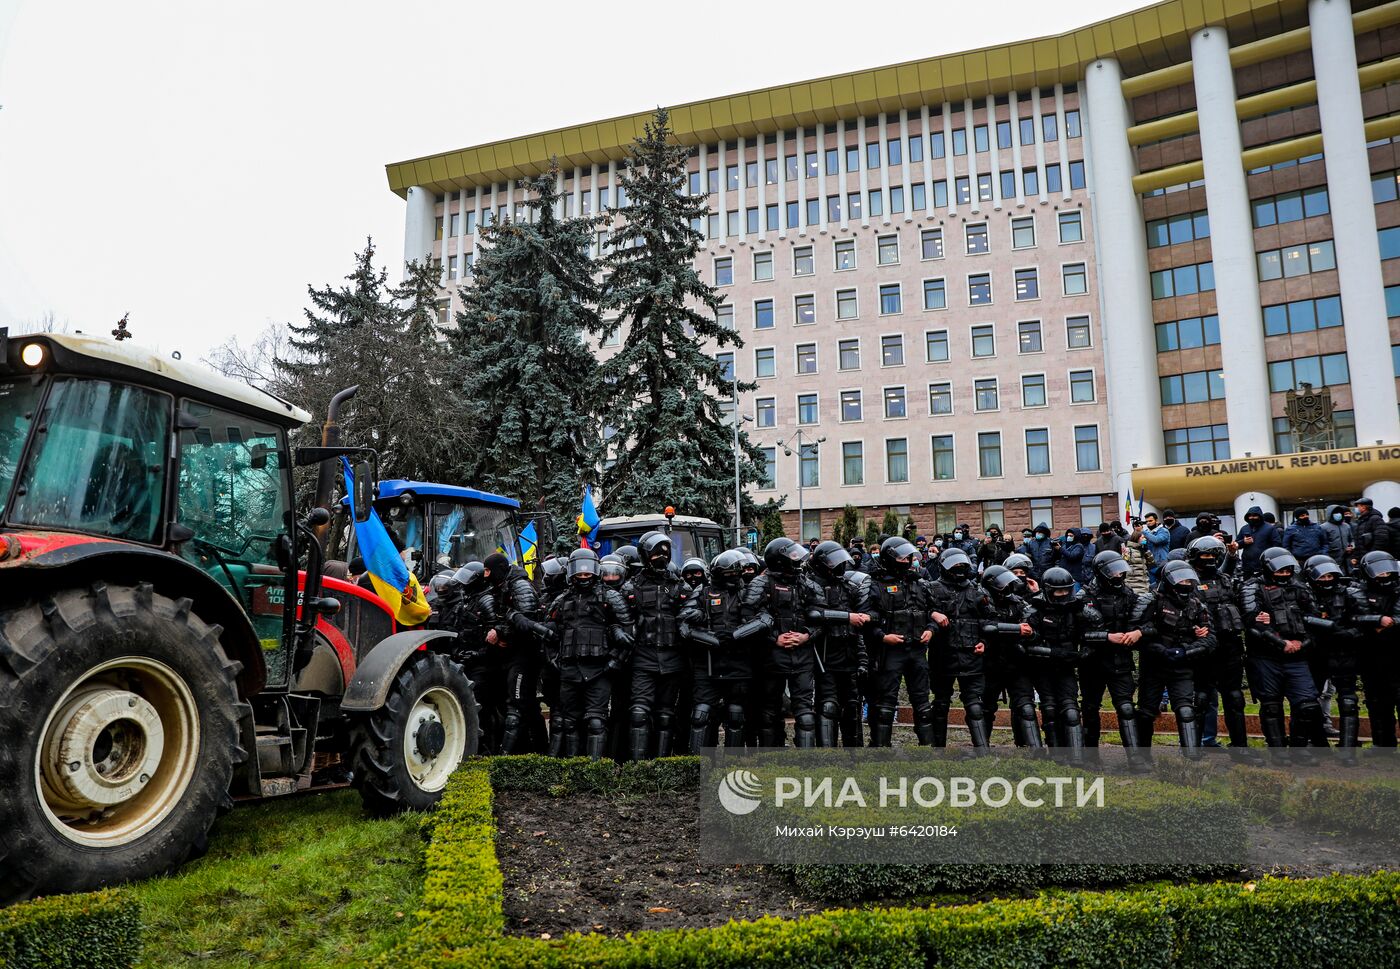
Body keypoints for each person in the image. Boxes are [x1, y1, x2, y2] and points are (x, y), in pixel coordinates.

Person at [542, 548, 632, 759]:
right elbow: (548, 634)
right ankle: (574, 767)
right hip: (569, 670)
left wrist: (615, 663)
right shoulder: (562, 600)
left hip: (599, 670)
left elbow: (628, 632)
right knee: (569, 721)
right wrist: (553, 660)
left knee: (596, 721)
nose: (583, 577)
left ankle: (595, 768)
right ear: (571, 574)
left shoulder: (611, 597)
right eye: (579, 574)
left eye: (587, 573)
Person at [678, 549, 767, 749]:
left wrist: (736, 635)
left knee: (736, 715)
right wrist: (712, 639)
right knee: (701, 714)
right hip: (708, 662)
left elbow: (765, 619)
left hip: (739, 662)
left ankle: (732, 766)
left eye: (737, 571)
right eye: (730, 572)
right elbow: (684, 623)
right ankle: (696, 766)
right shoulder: (703, 592)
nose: (735, 576)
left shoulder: (747, 593)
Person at [1241, 547, 1326, 748]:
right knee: (1271, 705)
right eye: (1280, 571)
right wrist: (1281, 643)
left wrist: (1301, 643)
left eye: (1287, 571)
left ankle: (1299, 747)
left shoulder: (1301, 588)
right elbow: (1252, 623)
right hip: (1265, 657)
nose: (1284, 575)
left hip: (1297, 656)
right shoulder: (1251, 587)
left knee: (1307, 705)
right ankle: (1277, 749)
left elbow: (1314, 621)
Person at [743, 537, 823, 747]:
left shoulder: (807, 583)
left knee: (805, 713)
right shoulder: (760, 584)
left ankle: (806, 764)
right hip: (771, 657)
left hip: (802, 654)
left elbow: (821, 618)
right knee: (769, 711)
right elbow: (747, 618)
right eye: (792, 556)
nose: (797, 560)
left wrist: (806, 635)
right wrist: (774, 638)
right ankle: (772, 757)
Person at [864, 536, 938, 746]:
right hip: (890, 651)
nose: (906, 561)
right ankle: (881, 747)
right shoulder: (876, 584)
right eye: (902, 557)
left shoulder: (920, 584)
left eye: (908, 557)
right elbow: (868, 618)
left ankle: (927, 746)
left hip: (916, 650)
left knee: (922, 703)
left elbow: (932, 612)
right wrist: (882, 636)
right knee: (885, 704)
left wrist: (931, 630)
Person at [1135, 560, 1214, 753]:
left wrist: (1186, 651)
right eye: (1182, 580)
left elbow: (1210, 639)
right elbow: (1137, 633)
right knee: (1146, 713)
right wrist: (1160, 650)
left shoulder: (1197, 605)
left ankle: (1191, 760)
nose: (1185, 584)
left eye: (1189, 581)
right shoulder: (1152, 600)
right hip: (1153, 666)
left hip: (1182, 665)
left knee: (1187, 711)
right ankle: (1142, 758)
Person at [627, 532, 691, 759]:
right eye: (655, 553)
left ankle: (662, 764)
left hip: (673, 658)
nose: (661, 557)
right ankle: (638, 767)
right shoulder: (631, 587)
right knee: (639, 713)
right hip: (643, 658)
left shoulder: (679, 586)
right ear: (645, 555)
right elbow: (619, 619)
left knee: (665, 714)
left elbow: (694, 610)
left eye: (665, 552)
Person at [926, 548, 996, 748]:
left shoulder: (977, 591)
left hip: (971, 654)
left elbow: (989, 620)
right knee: (940, 703)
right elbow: (919, 611)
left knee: (975, 706)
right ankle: (937, 750)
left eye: (961, 565)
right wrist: (933, 614)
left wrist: (986, 642)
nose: (958, 569)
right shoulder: (932, 588)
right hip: (942, 655)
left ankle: (982, 751)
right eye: (954, 565)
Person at [805, 541, 872, 747]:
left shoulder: (848, 587)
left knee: (852, 706)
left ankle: (853, 755)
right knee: (827, 706)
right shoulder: (810, 585)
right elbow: (814, 614)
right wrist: (847, 617)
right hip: (824, 655)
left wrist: (862, 659)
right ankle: (827, 755)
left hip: (849, 654)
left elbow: (859, 626)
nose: (839, 565)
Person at [1079, 551, 1146, 755]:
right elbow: (1076, 633)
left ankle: (1135, 758)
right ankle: (1090, 756)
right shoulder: (1084, 596)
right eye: (1113, 572)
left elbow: (1146, 620)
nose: (1118, 575)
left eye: (1120, 571)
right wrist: (1106, 637)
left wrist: (1138, 632)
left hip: (1120, 660)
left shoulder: (1128, 594)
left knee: (1126, 708)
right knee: (1090, 709)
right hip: (1092, 661)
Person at [1021, 567, 1091, 752]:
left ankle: (1077, 756)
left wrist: (1083, 653)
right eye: (1058, 591)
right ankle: (1056, 753)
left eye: (1066, 590)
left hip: (1066, 667)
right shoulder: (1035, 610)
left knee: (1070, 711)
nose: (1062, 595)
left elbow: (1092, 634)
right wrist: (1053, 652)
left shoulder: (1077, 610)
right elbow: (1025, 644)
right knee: (1049, 709)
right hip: (1043, 667)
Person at [483, 551, 547, 755]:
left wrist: (501, 633)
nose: (485, 575)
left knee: (519, 703)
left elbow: (528, 620)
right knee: (524, 704)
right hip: (511, 653)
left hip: (525, 654)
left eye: (488, 570)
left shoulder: (519, 585)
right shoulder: (500, 585)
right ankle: (535, 750)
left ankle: (512, 756)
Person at [1187, 537, 1248, 748]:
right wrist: (1191, 629)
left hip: (1229, 646)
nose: (1210, 559)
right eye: (1205, 555)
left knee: (1235, 698)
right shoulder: (1188, 581)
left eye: (1213, 555)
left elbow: (1243, 605)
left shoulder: (1225, 580)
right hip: (1203, 649)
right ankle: (1194, 749)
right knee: (1201, 699)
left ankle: (1240, 747)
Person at [1306, 555, 1361, 752]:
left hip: (1343, 653)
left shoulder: (1349, 594)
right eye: (1322, 576)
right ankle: (1317, 742)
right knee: (1310, 700)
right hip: (1316, 653)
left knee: (1348, 701)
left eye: (1330, 575)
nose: (1327, 580)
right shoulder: (1304, 594)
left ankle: (1348, 748)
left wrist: (1345, 633)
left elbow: (1360, 622)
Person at [978, 565, 1038, 746]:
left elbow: (1033, 623)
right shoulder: (980, 601)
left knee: (1026, 707)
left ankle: (1031, 750)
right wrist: (1017, 629)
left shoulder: (1018, 602)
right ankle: (982, 751)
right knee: (985, 709)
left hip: (1016, 662)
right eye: (1001, 583)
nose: (1006, 586)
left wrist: (1035, 595)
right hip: (989, 663)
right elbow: (986, 627)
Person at [1346, 551, 1400, 747]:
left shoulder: (1398, 590)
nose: (1384, 577)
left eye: (1387, 573)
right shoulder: (1356, 591)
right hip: (1370, 656)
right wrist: (1377, 620)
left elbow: (1396, 616)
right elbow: (1352, 618)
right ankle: (1382, 745)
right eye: (1379, 573)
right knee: (1377, 703)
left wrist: (1390, 621)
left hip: (1396, 654)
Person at [1237, 506, 1281, 578]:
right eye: (1250, 516)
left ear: (1260, 516)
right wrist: (1243, 542)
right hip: (1248, 566)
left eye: (1254, 516)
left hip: (1265, 565)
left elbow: (1277, 545)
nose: (1252, 518)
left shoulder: (1270, 528)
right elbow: (1236, 544)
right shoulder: (1244, 528)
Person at [1351, 497, 1393, 568]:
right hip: (1363, 560)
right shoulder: (1361, 520)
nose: (1356, 509)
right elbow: (1359, 542)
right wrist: (1356, 557)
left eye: (1358, 507)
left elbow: (1381, 538)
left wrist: (1372, 555)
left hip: (1373, 560)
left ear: (1363, 507)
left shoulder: (1375, 519)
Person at [1121, 523, 1154, 596]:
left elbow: (1152, 563)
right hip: (1133, 583)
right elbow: (1124, 566)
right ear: (1136, 538)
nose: (1144, 539)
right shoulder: (1128, 550)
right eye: (1142, 537)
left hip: (1144, 583)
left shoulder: (1143, 550)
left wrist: (1146, 550)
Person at [1321, 504, 1354, 571]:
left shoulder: (1346, 526)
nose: (1338, 514)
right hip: (1333, 558)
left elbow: (1351, 539)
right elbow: (1323, 544)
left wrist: (1352, 546)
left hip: (1347, 557)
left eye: (1339, 513)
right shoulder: (1323, 527)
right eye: (1335, 513)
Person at [1141, 513, 1172, 583]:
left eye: (1150, 521)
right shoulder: (1146, 533)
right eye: (1147, 522)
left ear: (1156, 520)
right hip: (1150, 564)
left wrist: (1143, 532)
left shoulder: (1163, 531)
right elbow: (1144, 546)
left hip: (1161, 564)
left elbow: (1157, 540)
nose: (1148, 523)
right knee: (1152, 587)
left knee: (1162, 586)